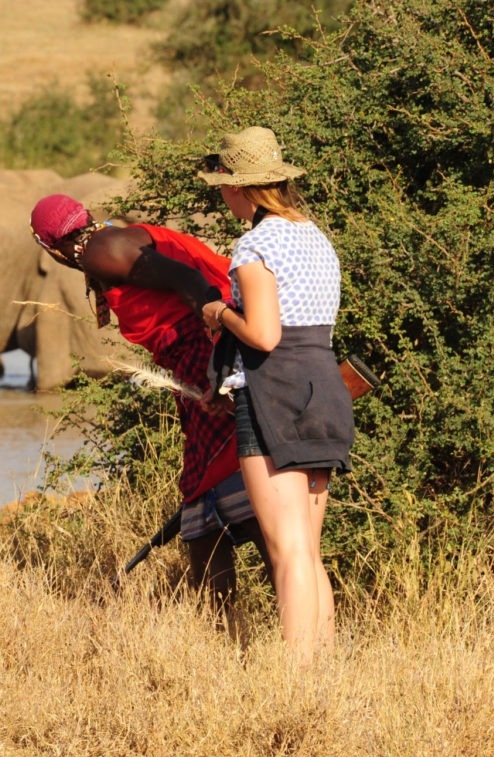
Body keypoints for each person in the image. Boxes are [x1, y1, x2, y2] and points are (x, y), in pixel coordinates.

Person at [29, 193, 273, 628]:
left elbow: (190, 282)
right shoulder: (105, 246)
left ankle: (286, 614)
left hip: (205, 354)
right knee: (202, 494)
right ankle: (221, 628)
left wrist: (216, 368)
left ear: (50, 248)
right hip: (200, 357)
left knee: (222, 482)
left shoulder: (102, 251)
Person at [196, 126, 354, 663]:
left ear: (242, 189)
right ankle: (321, 669)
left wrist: (219, 313)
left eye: (224, 187)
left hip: (274, 391)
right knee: (308, 549)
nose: (223, 196)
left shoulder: (255, 245)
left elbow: (264, 335)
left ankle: (294, 679)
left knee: (286, 551)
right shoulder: (315, 235)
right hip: (323, 385)